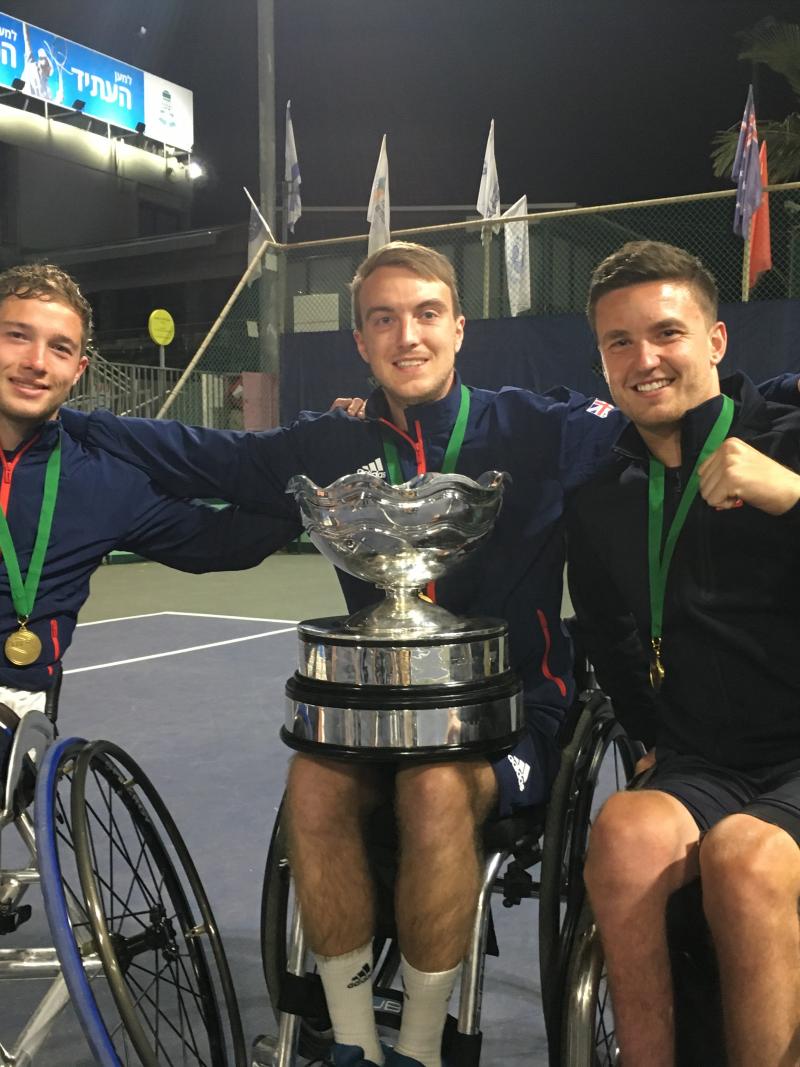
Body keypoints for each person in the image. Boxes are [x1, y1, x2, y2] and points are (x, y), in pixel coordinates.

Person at [57, 242, 800, 1067]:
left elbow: (676, 406)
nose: (406, 336)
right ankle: (347, 1039)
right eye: (384, 319)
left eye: (425, 315)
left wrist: (769, 428)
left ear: (459, 329)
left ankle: (416, 1045)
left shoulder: (542, 429)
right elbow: (198, 455)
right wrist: (63, 412)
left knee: (438, 785)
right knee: (312, 778)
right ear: (361, 340)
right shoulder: (328, 445)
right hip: (378, 717)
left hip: (517, 720)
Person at [567, 241, 800, 1067]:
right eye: (618, 343)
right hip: (703, 760)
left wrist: (794, 494)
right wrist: (649, 733)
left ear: (716, 341)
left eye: (666, 332)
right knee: (624, 831)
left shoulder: (789, 440)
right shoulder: (599, 497)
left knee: (745, 855)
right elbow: (606, 633)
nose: (644, 359)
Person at [0, 262, 297, 754]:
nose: (36, 361)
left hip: (18, 714)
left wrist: (315, 486)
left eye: (59, 348)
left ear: (77, 371)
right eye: (17, 336)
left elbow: (217, 543)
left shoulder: (104, 480)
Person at [21, 24, 63, 105]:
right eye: (40, 58)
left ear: (48, 67)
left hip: (36, 112)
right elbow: (27, 39)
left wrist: (61, 75)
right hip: (22, 103)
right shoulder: (30, 63)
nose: (40, 59)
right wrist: (25, 22)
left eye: (43, 58)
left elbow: (58, 100)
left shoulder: (47, 90)